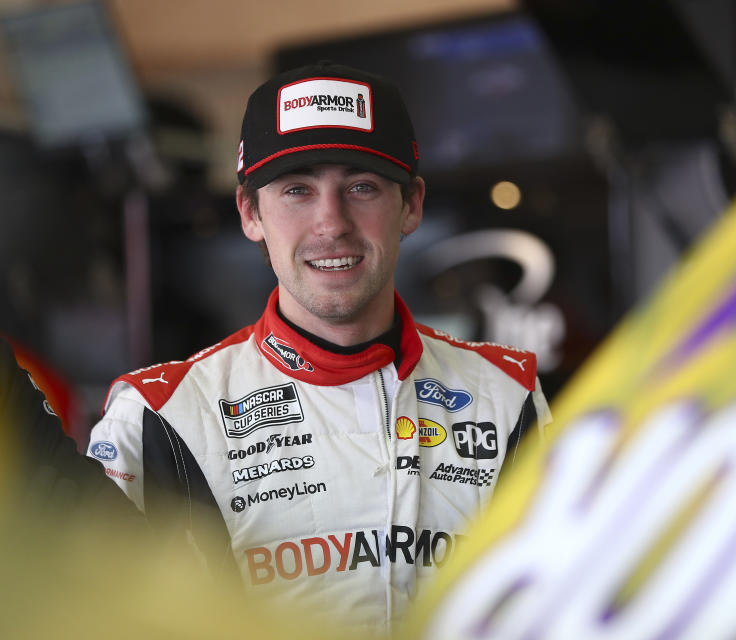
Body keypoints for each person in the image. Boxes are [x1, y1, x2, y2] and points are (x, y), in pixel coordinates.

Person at [85, 61, 551, 633]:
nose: (331, 223)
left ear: (411, 205)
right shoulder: (159, 414)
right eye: (297, 190)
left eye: (361, 186)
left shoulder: (508, 396)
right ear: (250, 212)